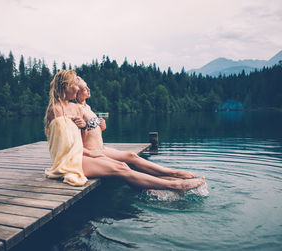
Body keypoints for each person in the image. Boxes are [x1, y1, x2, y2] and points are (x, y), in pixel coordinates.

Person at [45, 71, 204, 191]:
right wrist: (90, 152)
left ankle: (166, 182)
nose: (77, 88)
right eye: (75, 84)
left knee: (123, 165)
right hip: (68, 162)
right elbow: (62, 146)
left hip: (81, 155)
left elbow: (76, 140)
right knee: (121, 168)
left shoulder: (75, 108)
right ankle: (176, 185)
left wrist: (90, 146)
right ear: (65, 86)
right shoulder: (55, 111)